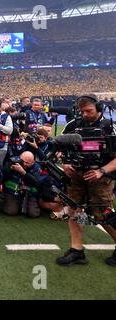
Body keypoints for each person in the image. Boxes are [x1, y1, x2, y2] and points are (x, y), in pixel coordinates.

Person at [57, 95, 116, 267]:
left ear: (98, 108)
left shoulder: (110, 128)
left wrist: (101, 171)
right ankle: (77, 251)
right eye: (81, 111)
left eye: (88, 111)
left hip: (101, 177)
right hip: (76, 176)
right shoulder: (73, 125)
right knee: (74, 209)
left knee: (103, 213)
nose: (84, 114)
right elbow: (61, 148)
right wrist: (66, 162)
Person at [2, 151, 43, 218]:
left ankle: (31, 204)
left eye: (27, 163)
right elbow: (2, 176)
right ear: (19, 157)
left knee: (33, 214)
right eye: (23, 161)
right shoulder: (12, 161)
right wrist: (9, 169)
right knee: (11, 211)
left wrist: (23, 172)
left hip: (29, 193)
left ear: (33, 162)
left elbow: (36, 183)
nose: (24, 164)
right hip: (12, 192)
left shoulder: (37, 168)